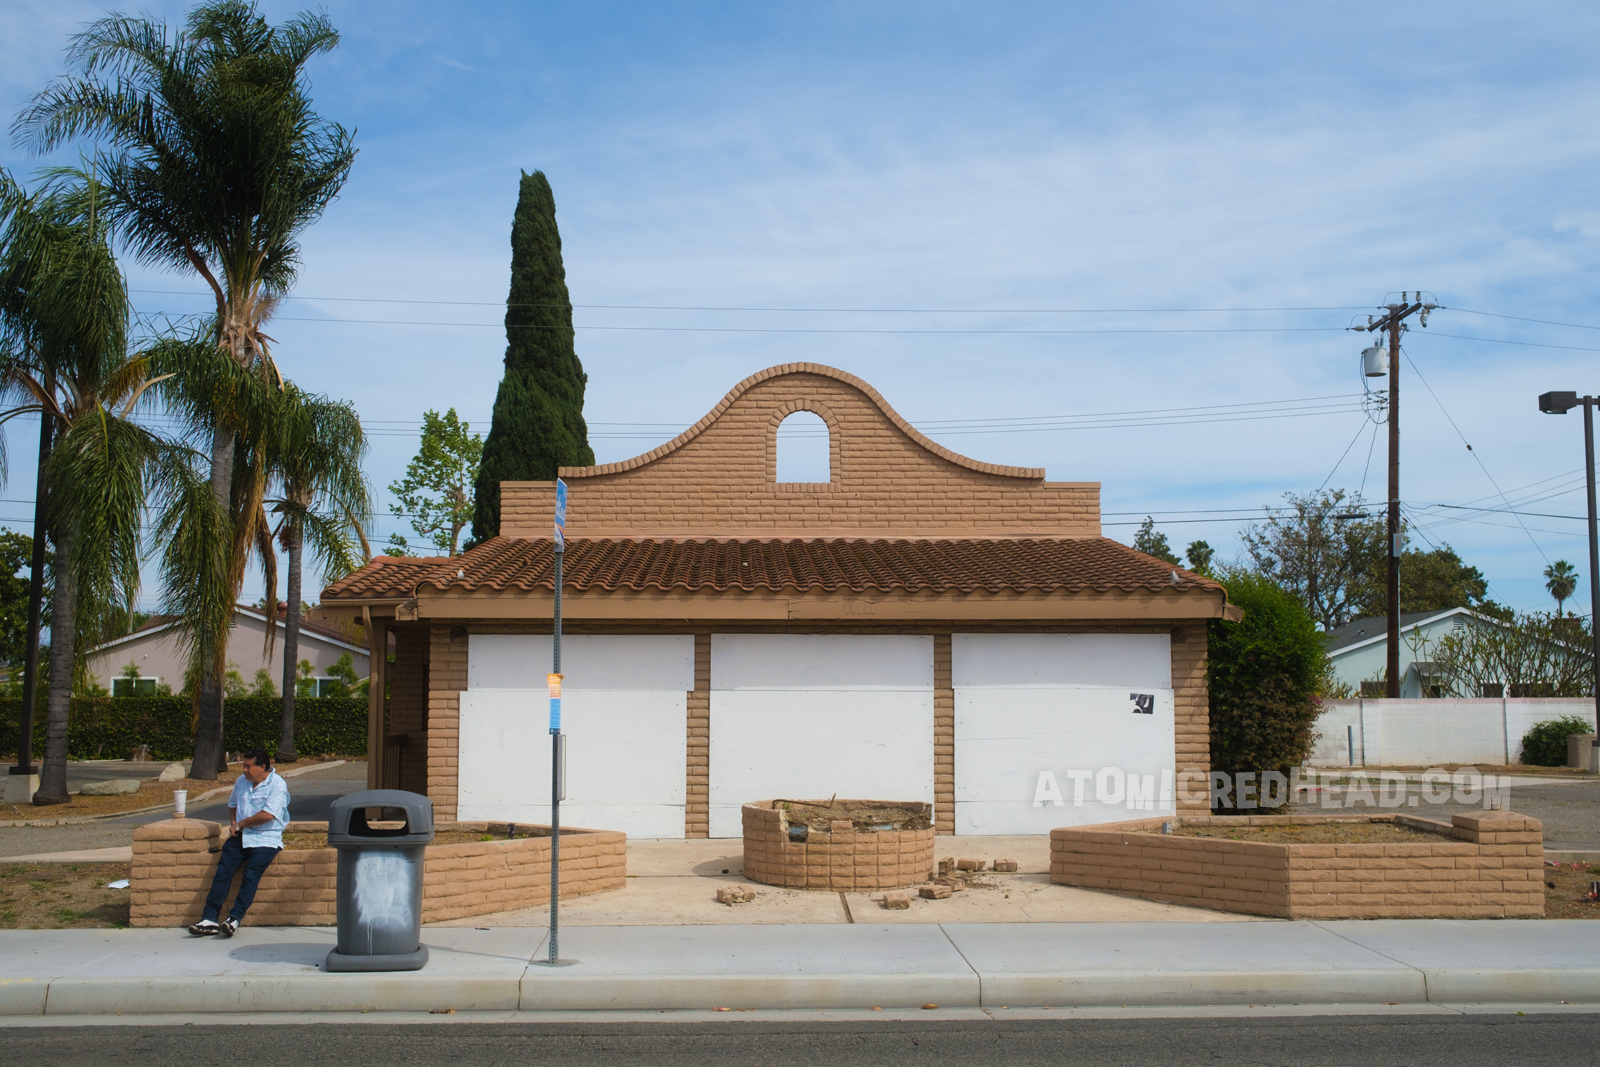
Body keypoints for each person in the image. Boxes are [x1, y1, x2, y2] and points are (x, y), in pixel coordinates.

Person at [188, 748, 291, 938]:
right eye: (243, 765)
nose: (244, 770)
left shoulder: (277, 785)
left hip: (266, 838)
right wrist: (234, 823)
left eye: (248, 766)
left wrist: (241, 824)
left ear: (262, 767)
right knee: (223, 872)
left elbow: (267, 815)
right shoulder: (242, 782)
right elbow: (233, 804)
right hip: (241, 836)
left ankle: (234, 919)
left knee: (251, 875)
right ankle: (209, 919)